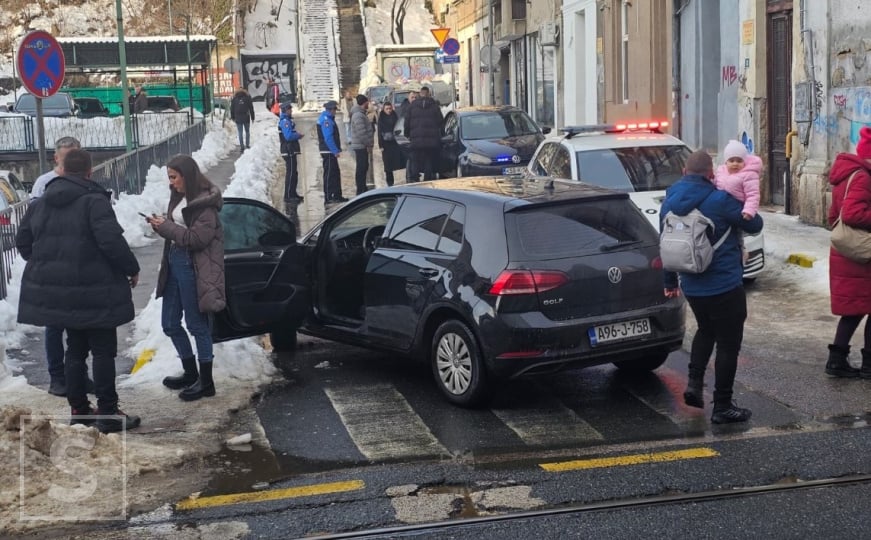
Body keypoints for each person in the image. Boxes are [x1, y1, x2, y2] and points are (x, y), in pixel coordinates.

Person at [16, 149, 141, 433]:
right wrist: (131, 268)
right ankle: (108, 412)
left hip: (60, 294)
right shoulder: (93, 202)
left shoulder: (40, 203)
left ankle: (80, 409)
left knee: (73, 349)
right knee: (103, 350)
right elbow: (111, 242)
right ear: (89, 172)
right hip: (96, 291)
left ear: (61, 171)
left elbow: (24, 244)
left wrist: (49, 265)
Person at [660, 150, 763, 424]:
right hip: (724, 283)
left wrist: (669, 281)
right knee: (729, 344)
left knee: (706, 331)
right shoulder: (719, 200)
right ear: (711, 174)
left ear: (684, 172)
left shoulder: (669, 200)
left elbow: (666, 241)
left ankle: (694, 385)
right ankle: (723, 405)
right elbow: (754, 225)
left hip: (692, 284)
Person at [146, 155, 226, 401]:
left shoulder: (205, 204)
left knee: (196, 324)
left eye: (174, 177)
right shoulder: (179, 196)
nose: (171, 182)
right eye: (169, 177)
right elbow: (178, 230)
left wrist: (167, 227)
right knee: (170, 323)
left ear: (187, 176)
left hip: (193, 266)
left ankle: (206, 381)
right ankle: (190, 372)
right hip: (174, 261)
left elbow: (197, 239)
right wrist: (161, 225)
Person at [30, 136, 88, 397]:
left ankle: (79, 375)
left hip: (80, 268)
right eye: (67, 157)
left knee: (82, 324)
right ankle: (57, 377)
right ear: (57, 158)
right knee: (54, 326)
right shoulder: (44, 184)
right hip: (53, 267)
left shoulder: (85, 182)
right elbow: (30, 228)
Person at [825, 126, 871, 379]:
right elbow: (853, 214)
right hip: (861, 256)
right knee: (864, 308)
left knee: (855, 309)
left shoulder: (848, 174)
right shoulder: (864, 177)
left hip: (848, 253)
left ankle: (837, 360)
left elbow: (834, 216)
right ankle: (867, 365)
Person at [715, 139, 762, 262]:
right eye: (731, 160)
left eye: (739, 161)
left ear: (744, 161)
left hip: (739, 209)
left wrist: (749, 210)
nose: (735, 164)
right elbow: (715, 185)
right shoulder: (720, 171)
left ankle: (741, 254)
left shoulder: (749, 174)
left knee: (738, 235)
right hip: (723, 210)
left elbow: (753, 195)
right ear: (726, 161)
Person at [404, 86, 443, 182]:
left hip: (416, 140)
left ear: (420, 94)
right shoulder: (434, 106)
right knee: (428, 160)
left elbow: (407, 122)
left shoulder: (412, 106)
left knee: (414, 160)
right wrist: (441, 135)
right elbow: (440, 122)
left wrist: (407, 134)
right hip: (431, 141)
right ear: (428, 94)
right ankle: (427, 179)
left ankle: (414, 180)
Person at [317, 100, 347, 204]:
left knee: (334, 173)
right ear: (330, 109)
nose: (335, 111)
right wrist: (335, 151)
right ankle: (329, 196)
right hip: (328, 151)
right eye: (334, 109)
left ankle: (336, 195)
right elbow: (328, 137)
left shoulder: (328, 119)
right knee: (330, 174)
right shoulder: (326, 120)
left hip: (329, 151)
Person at [278, 101, 304, 203]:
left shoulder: (287, 120)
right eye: (290, 109)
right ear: (286, 110)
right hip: (288, 150)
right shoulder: (285, 121)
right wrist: (298, 135)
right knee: (291, 173)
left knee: (294, 173)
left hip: (291, 150)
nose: (291, 111)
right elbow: (288, 136)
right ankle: (288, 195)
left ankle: (293, 193)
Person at [349, 94, 375, 195]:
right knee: (361, 167)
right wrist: (368, 143)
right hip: (360, 146)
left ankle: (362, 187)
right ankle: (360, 189)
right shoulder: (358, 115)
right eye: (367, 102)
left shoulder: (361, 114)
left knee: (364, 166)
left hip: (361, 145)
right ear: (364, 103)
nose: (368, 104)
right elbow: (361, 133)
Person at [377, 102, 403, 186]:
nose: (389, 110)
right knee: (388, 166)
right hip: (386, 144)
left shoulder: (395, 116)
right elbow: (379, 132)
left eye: (390, 108)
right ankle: (390, 183)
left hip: (395, 143)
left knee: (399, 162)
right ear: (383, 109)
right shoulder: (381, 118)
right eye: (387, 109)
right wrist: (380, 145)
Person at [230, 87, 255, 151]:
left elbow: (232, 109)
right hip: (246, 117)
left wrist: (232, 117)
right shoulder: (247, 97)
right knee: (247, 131)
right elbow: (251, 108)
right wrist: (252, 117)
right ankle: (247, 145)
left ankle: (242, 146)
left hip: (238, 118)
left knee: (240, 132)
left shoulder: (234, 99)